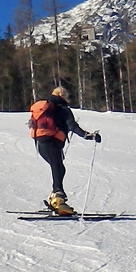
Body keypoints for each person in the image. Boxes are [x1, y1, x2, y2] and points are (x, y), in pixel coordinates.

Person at [31, 86, 101, 215]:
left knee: (59, 168)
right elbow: (73, 126)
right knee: (58, 168)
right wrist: (89, 136)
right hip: (53, 144)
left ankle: (54, 198)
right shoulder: (63, 109)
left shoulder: (45, 108)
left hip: (41, 144)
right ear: (64, 96)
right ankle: (59, 200)